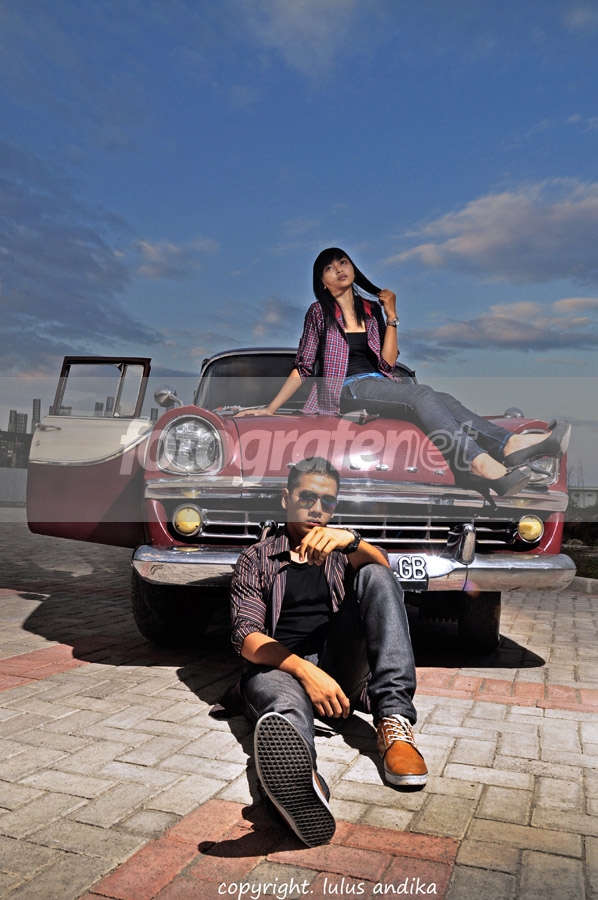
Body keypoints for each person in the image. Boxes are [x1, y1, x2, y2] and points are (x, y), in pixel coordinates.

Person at [236, 247, 571, 497]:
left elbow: (387, 363)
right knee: (423, 394)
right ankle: (477, 460)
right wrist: (270, 409)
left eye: (343, 263)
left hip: (377, 382)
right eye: (329, 268)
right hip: (345, 389)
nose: (338, 270)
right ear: (321, 283)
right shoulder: (318, 312)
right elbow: (304, 365)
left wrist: (391, 316)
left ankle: (509, 443)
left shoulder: (370, 310)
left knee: (442, 398)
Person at [229, 456, 427, 848]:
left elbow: (385, 578)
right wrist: (306, 671)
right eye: (307, 497)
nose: (317, 509)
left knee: (377, 574)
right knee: (283, 706)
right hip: (279, 667)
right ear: (286, 498)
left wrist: (352, 541)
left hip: (339, 666)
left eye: (328, 501)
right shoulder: (257, 557)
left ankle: (395, 725)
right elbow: (247, 637)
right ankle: (300, 784)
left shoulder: (341, 554)